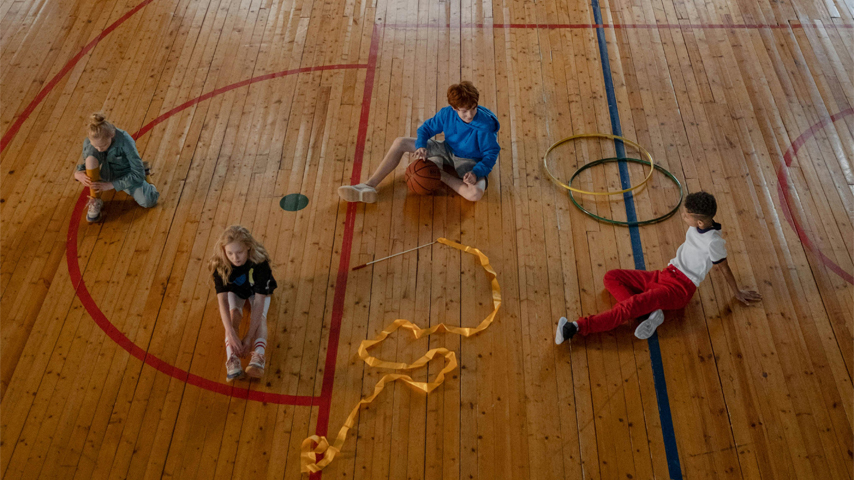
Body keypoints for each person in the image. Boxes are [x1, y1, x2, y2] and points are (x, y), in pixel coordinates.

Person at [556, 191, 762, 344]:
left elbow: (724, 268)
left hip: (678, 290)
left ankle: (576, 327)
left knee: (629, 306)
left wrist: (737, 292)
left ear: (699, 222)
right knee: (611, 277)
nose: (683, 216)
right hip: (665, 275)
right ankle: (648, 314)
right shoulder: (698, 227)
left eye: (686, 215)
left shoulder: (713, 243)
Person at [338, 81, 500, 203]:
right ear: (454, 108)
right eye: (464, 111)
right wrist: (421, 145)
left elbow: (491, 154)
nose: (470, 115)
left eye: (473, 108)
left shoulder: (485, 125)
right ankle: (368, 185)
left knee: (475, 195)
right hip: (447, 148)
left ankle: (440, 174)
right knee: (400, 141)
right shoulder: (446, 114)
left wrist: (476, 172)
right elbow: (426, 129)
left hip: (469, 161)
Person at [209, 225, 277, 381]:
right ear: (223, 250)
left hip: (256, 291)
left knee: (260, 318)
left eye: (239, 252)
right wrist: (231, 333)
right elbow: (223, 301)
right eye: (230, 253)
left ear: (248, 247)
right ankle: (232, 360)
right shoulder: (220, 264)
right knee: (234, 316)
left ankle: (258, 358)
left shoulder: (260, 263)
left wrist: (248, 337)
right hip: (237, 291)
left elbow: (259, 302)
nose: (235, 258)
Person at [73, 113, 158, 222]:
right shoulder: (93, 140)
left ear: (111, 135)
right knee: (90, 158)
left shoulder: (125, 141)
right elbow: (87, 164)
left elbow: (137, 173)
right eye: (96, 146)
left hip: (125, 174)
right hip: (105, 174)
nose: (99, 149)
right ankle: (95, 199)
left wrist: (112, 185)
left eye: (103, 146)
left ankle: (149, 180)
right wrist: (78, 173)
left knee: (149, 201)